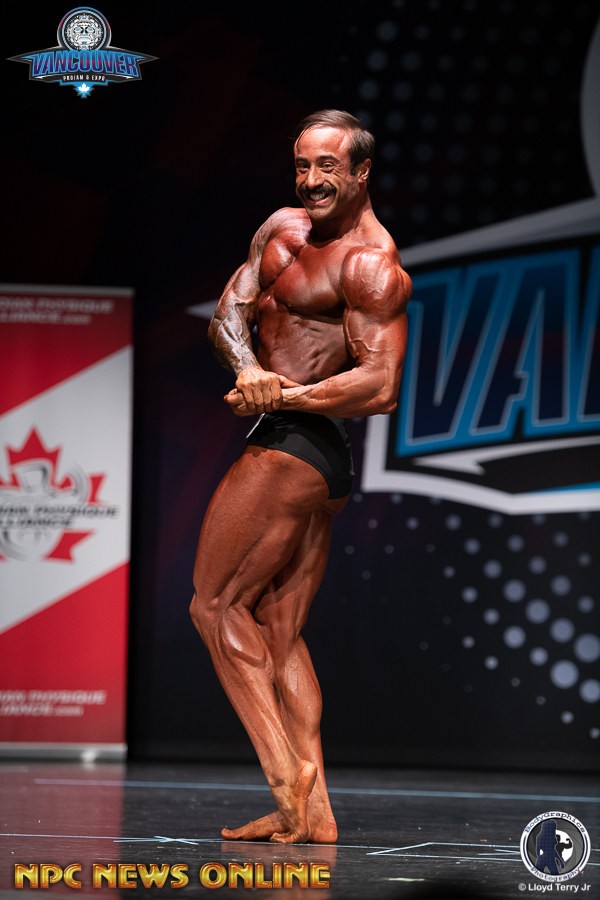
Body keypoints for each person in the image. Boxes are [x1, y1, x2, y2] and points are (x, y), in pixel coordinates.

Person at [189, 109, 412, 844]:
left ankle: (287, 779)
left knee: (215, 606)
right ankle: (317, 816)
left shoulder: (371, 264)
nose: (311, 180)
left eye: (328, 167)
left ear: (361, 173)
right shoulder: (281, 231)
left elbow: (380, 385)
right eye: (302, 165)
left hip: (300, 443)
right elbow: (228, 313)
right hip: (310, 452)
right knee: (280, 632)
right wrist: (248, 369)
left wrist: (282, 397)